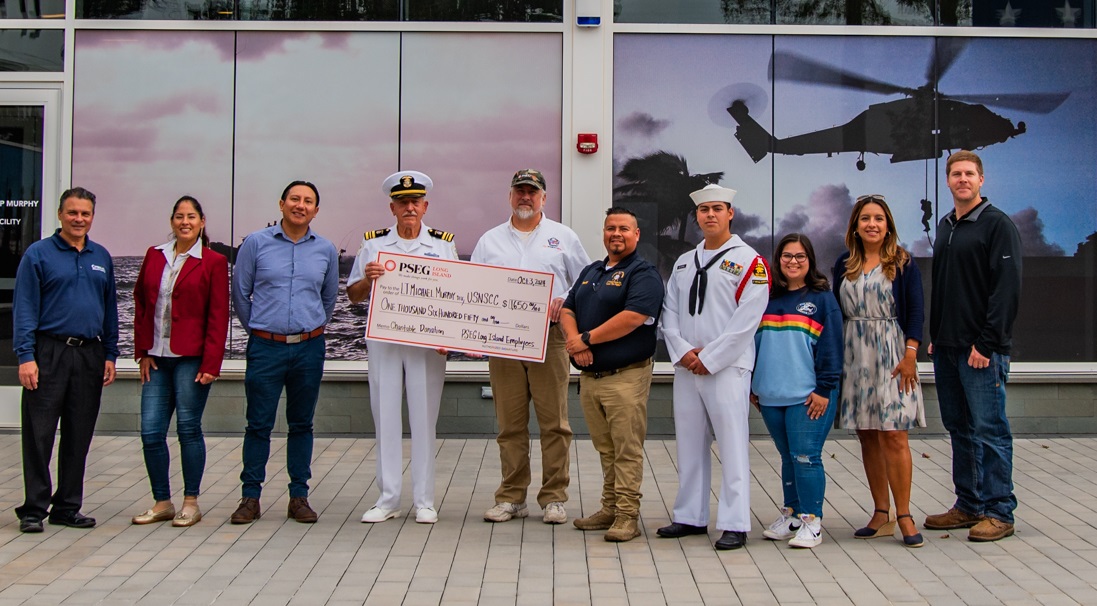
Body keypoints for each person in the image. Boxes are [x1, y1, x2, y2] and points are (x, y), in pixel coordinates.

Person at [471, 169, 591, 524]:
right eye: (519, 191)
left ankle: (554, 498)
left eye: (532, 192)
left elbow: (585, 282)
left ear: (544, 198)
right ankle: (511, 497)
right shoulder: (489, 240)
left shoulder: (562, 237)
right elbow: (472, 289)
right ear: (510, 196)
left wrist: (564, 301)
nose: (526, 197)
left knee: (554, 423)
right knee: (510, 424)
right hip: (503, 339)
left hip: (549, 336)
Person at [657, 184, 769, 551]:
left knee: (733, 444)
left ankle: (735, 522)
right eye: (703, 210)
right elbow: (669, 312)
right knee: (689, 442)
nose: (710, 215)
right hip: (688, 367)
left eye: (717, 209)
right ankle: (690, 515)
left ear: (730, 213)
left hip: (727, 367)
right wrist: (684, 351)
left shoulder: (749, 260)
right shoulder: (685, 261)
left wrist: (711, 357)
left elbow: (747, 319)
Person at [347, 171, 458, 525]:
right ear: (392, 207)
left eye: (416, 202)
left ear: (425, 206)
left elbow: (456, 295)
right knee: (386, 417)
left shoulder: (442, 244)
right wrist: (368, 278)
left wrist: (450, 336)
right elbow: (352, 295)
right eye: (402, 202)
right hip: (385, 341)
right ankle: (388, 498)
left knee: (424, 419)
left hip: (426, 344)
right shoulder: (374, 244)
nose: (409, 207)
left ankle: (425, 500)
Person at [924, 150, 1022, 542]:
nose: (962, 179)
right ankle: (968, 505)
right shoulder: (947, 226)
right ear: (948, 181)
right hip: (947, 348)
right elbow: (948, 287)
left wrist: (988, 342)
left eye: (969, 174)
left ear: (981, 180)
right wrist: (937, 335)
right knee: (960, 428)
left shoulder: (998, 225)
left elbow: (1007, 290)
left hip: (981, 351)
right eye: (956, 174)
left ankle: (1000, 512)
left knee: (990, 430)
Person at [231, 180, 339, 524]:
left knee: (302, 424)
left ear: (316, 211)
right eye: (295, 199)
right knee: (258, 424)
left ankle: (299, 496)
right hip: (266, 348)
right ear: (281, 204)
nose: (300, 205)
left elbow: (328, 299)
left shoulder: (326, 250)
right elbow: (240, 294)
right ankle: (250, 497)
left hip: (309, 348)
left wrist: (309, 328)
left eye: (308, 201)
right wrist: (261, 331)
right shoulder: (255, 244)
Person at [13, 187, 119, 533]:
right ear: (60, 214)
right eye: (73, 212)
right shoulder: (38, 254)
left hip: (89, 354)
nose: (79, 219)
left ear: (92, 217)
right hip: (48, 352)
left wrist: (110, 353)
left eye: (85, 213)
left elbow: (109, 310)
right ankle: (34, 508)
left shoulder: (100, 256)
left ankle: (68, 506)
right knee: (39, 433)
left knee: (79, 433)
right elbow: (25, 307)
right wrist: (26, 356)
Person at [560, 207, 664, 542]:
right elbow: (567, 308)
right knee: (605, 449)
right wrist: (576, 345)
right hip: (591, 378)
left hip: (626, 377)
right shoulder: (592, 270)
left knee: (626, 449)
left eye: (623, 228)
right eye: (609, 228)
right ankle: (609, 508)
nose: (615, 234)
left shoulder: (643, 273)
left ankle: (627, 516)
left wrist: (586, 339)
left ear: (636, 234)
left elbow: (634, 316)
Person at [832, 194, 925, 548]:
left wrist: (911, 354)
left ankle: (904, 514)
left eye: (879, 218)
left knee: (894, 435)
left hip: (893, 353)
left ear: (888, 226)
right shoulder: (844, 264)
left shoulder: (902, 262)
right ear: (855, 226)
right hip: (855, 354)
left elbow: (915, 309)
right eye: (865, 218)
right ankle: (880, 513)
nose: (872, 224)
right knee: (868, 434)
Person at [130, 196, 229, 527]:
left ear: (202, 222)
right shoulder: (154, 255)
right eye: (178, 216)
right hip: (156, 358)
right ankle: (162, 502)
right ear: (171, 221)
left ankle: (190, 501)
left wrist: (211, 364)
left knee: (188, 428)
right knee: (150, 431)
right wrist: (142, 350)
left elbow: (218, 316)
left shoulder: (212, 261)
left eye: (191, 216)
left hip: (191, 360)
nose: (184, 221)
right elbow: (142, 305)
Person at [751, 233, 842, 549]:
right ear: (778, 261)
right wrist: (753, 386)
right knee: (788, 458)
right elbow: (753, 345)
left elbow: (832, 347)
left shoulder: (822, 299)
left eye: (800, 256)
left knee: (806, 456)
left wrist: (824, 389)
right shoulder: (766, 298)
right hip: (772, 395)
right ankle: (791, 515)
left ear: (810, 261)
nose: (793, 261)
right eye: (787, 256)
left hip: (809, 396)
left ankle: (812, 522)